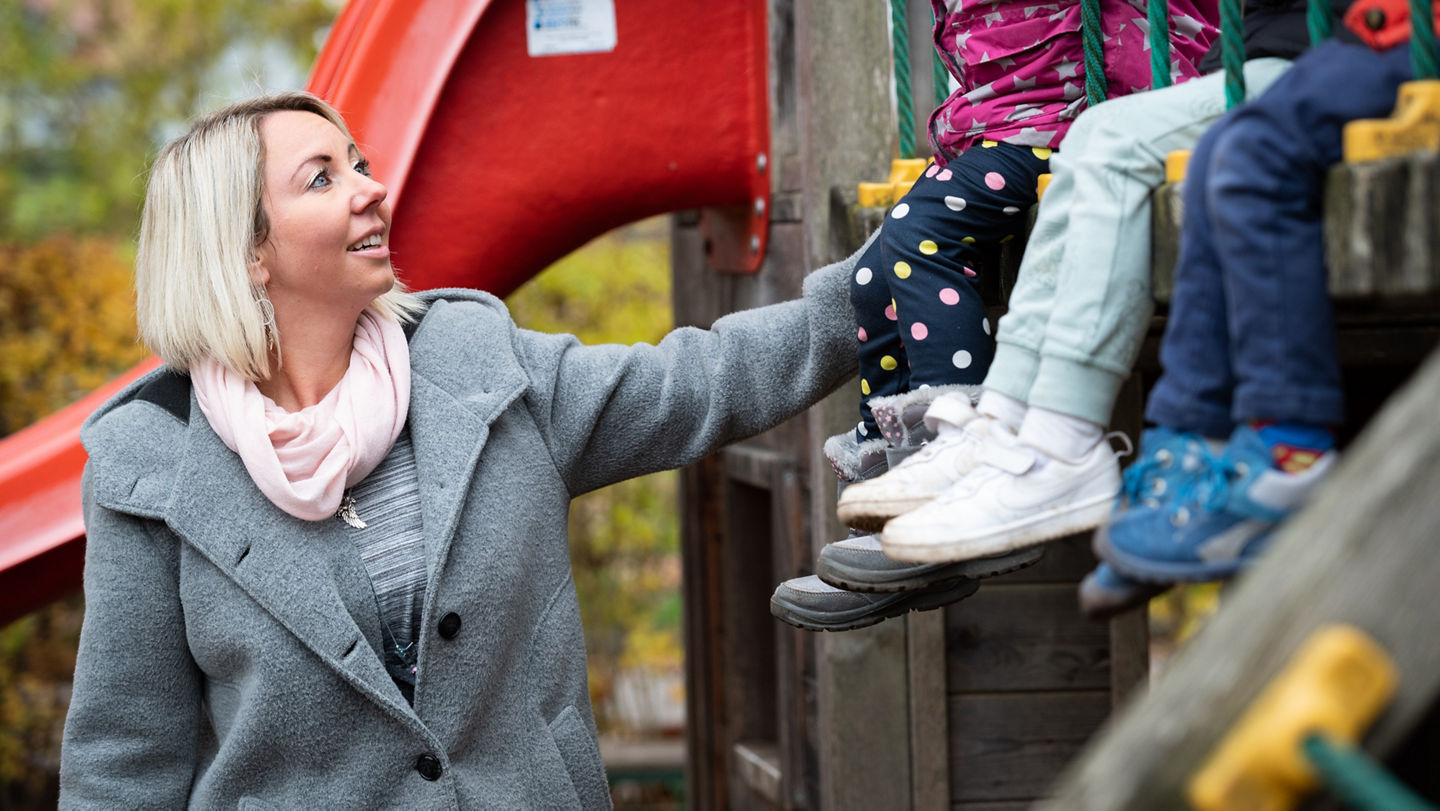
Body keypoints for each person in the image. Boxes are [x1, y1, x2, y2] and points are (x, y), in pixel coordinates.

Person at [59, 92, 866, 808]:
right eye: (322, 178)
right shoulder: (153, 471)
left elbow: (699, 382)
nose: (372, 188)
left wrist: (883, 281)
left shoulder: (483, 369)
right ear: (248, 255)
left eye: (360, 164)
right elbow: (124, 762)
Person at [833, 0, 1346, 617]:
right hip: (1029, 111)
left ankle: (1026, 439)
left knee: (934, 230)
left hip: (1052, 113)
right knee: (874, 271)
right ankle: (990, 433)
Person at [770, 0, 1219, 631]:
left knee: (921, 240)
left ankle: (960, 462)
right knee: (872, 280)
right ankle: (898, 514)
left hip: (1063, 117)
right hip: (995, 121)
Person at [1095, 26, 1416, 584]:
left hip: (1408, 32)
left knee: (1253, 158)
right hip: (1384, 24)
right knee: (1217, 153)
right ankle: (1193, 448)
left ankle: (1289, 458)